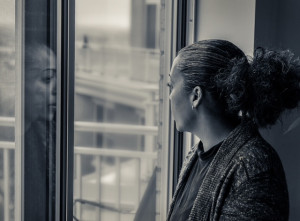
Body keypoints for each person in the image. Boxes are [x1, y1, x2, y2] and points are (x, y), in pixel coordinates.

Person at [166, 39, 300, 221]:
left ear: (196, 95)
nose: (169, 96)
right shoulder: (195, 156)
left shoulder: (254, 169)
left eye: (171, 86)